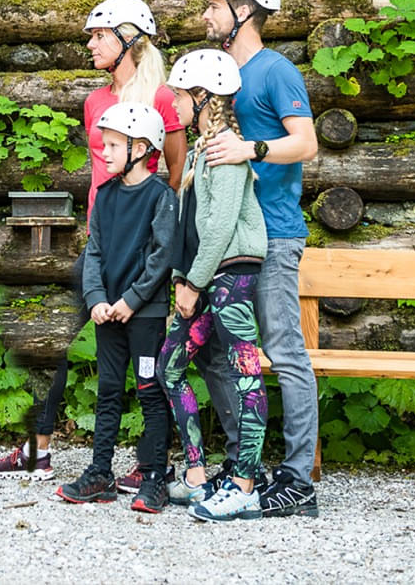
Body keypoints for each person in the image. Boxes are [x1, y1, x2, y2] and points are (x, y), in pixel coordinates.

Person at [0, 0, 184, 489]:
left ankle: (150, 463)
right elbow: (99, 178)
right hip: (101, 243)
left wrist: (156, 251)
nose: (90, 44)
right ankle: (39, 449)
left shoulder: (161, 97)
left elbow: (175, 173)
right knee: (57, 343)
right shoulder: (96, 101)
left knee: (148, 360)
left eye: (99, 35)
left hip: (147, 250)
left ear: (129, 39)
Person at [199, 0, 321, 518]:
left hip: (274, 233)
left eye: (213, 5)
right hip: (232, 235)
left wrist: (252, 149)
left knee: (283, 351)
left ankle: (298, 480)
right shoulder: (219, 70)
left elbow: (307, 143)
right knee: (219, 352)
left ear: (242, 10)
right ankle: (246, 462)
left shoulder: (276, 72)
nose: (204, 15)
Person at [158, 49, 269, 523]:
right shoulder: (205, 148)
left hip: (234, 277)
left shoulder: (224, 150)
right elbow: (197, 228)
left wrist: (192, 284)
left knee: (247, 373)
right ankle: (199, 472)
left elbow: (222, 226)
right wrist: (188, 279)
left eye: (181, 96)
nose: (176, 106)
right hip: (210, 279)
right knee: (171, 363)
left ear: (203, 97)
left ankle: (246, 483)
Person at [55, 103, 177, 513]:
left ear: (141, 148)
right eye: (102, 144)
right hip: (108, 313)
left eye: (111, 145)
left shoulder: (161, 197)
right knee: (108, 390)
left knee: (149, 389)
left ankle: (155, 476)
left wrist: (132, 300)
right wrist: (97, 300)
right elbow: (94, 252)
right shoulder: (104, 197)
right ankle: (100, 473)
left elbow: (162, 257)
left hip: (144, 315)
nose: (102, 153)